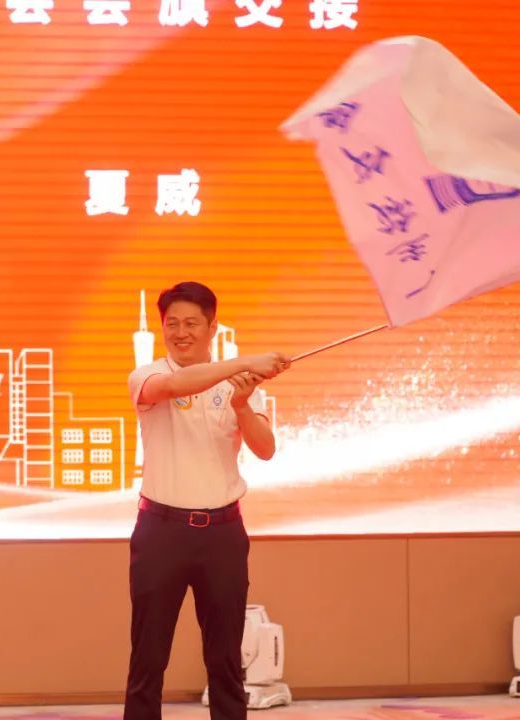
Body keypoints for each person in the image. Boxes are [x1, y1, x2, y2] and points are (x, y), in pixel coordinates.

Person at [123, 282, 289, 720]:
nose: (181, 333)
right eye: (172, 324)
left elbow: (266, 449)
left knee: (225, 658)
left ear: (212, 327)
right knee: (148, 656)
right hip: (161, 533)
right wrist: (245, 362)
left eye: (192, 323)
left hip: (222, 534)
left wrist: (241, 404)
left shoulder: (242, 386)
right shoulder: (147, 375)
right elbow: (176, 385)